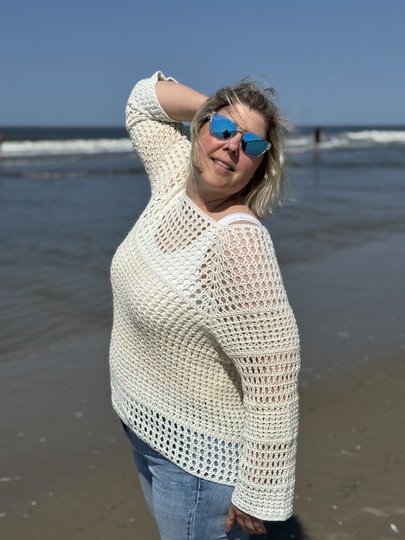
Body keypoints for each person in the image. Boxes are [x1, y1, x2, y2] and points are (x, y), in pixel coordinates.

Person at [109, 71, 301, 539]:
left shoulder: (238, 243)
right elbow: (142, 102)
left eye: (251, 145)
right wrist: (212, 111)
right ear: (201, 130)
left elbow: (274, 373)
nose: (232, 146)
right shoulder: (174, 179)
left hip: (197, 465)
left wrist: (260, 488)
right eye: (223, 130)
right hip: (146, 430)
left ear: (259, 167)